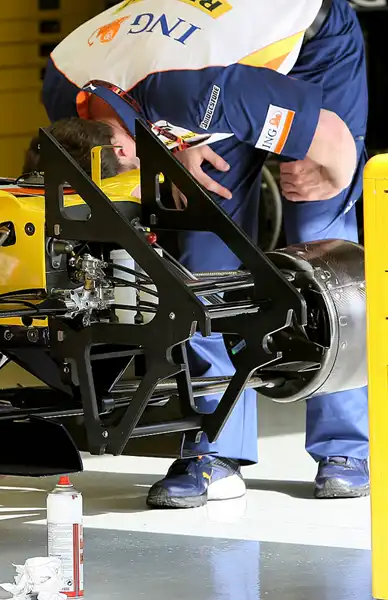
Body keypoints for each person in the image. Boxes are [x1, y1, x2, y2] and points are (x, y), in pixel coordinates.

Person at [40, 0, 369, 508]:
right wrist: (176, 145)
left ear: (124, 150)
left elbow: (334, 142)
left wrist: (337, 173)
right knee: (203, 251)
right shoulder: (60, 86)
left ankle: (346, 448)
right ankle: (214, 450)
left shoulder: (193, 92)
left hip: (307, 40)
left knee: (321, 241)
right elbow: (147, 114)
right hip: (198, 76)